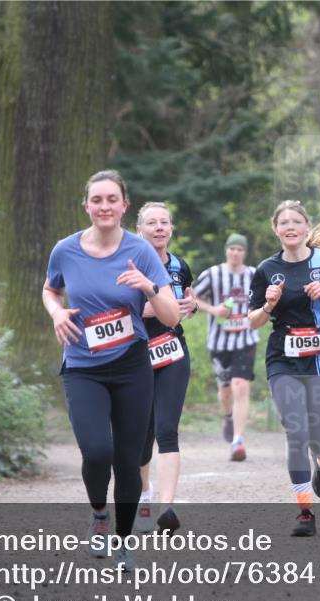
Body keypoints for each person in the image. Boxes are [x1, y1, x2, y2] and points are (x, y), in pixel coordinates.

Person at [42, 170, 179, 571]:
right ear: (86, 205)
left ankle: (122, 542)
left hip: (132, 366)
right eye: (96, 200)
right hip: (83, 367)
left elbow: (170, 317)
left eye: (111, 199)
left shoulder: (141, 251)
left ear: (124, 206)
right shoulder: (65, 250)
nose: (104, 206)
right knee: (97, 452)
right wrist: (56, 312)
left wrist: (149, 287)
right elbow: (51, 288)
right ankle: (99, 512)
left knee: (128, 458)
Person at [247, 200, 320, 537]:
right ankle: (305, 512)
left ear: (307, 229)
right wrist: (268, 304)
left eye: (296, 222)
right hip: (283, 358)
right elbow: (252, 321)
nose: (290, 227)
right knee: (296, 431)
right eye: (284, 223)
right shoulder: (266, 269)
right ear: (276, 229)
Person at [133, 202, 197, 534]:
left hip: (173, 351)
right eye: (151, 223)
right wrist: (153, 308)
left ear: (171, 228)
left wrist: (192, 305)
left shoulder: (180, 266)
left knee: (167, 429)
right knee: (141, 437)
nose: (159, 228)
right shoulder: (126, 262)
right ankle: (144, 495)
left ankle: (167, 507)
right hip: (135, 355)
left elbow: (187, 300)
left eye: (164, 222)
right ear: (138, 228)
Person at [192, 233, 259, 461]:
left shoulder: (253, 275)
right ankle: (228, 415)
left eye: (240, 249)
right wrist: (213, 310)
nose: (235, 253)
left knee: (241, 385)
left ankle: (238, 441)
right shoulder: (212, 274)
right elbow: (191, 296)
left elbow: (265, 299)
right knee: (226, 389)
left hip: (246, 339)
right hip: (219, 341)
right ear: (226, 251)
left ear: (244, 253)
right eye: (232, 249)